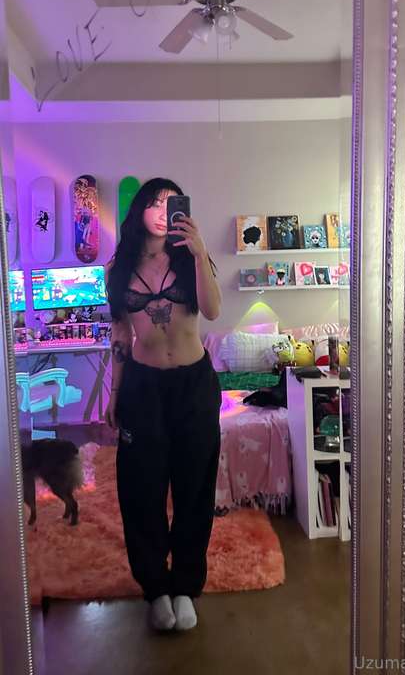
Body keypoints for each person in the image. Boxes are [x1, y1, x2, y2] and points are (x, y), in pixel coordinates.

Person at [105, 178, 222, 634]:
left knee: (194, 487)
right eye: (153, 202)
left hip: (193, 386)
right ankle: (155, 586)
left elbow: (212, 310)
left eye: (170, 203)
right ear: (139, 210)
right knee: (141, 488)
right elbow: (120, 334)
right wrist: (114, 394)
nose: (161, 210)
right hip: (143, 388)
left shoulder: (191, 259)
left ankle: (185, 585)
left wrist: (199, 252)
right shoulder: (117, 268)